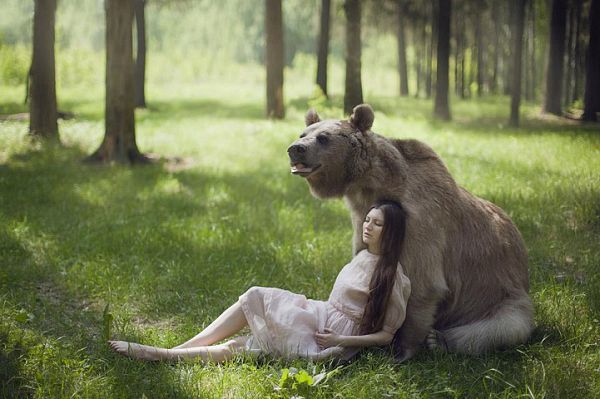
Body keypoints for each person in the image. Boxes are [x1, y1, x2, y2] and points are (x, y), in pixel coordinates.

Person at [108, 200, 411, 362]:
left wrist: (339, 341)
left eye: (377, 223)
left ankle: (160, 355)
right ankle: (177, 350)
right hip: (319, 314)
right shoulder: (362, 256)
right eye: (367, 219)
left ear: (391, 231)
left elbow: (385, 335)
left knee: (244, 346)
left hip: (330, 338)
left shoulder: (394, 277)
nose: (367, 226)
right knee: (254, 297)